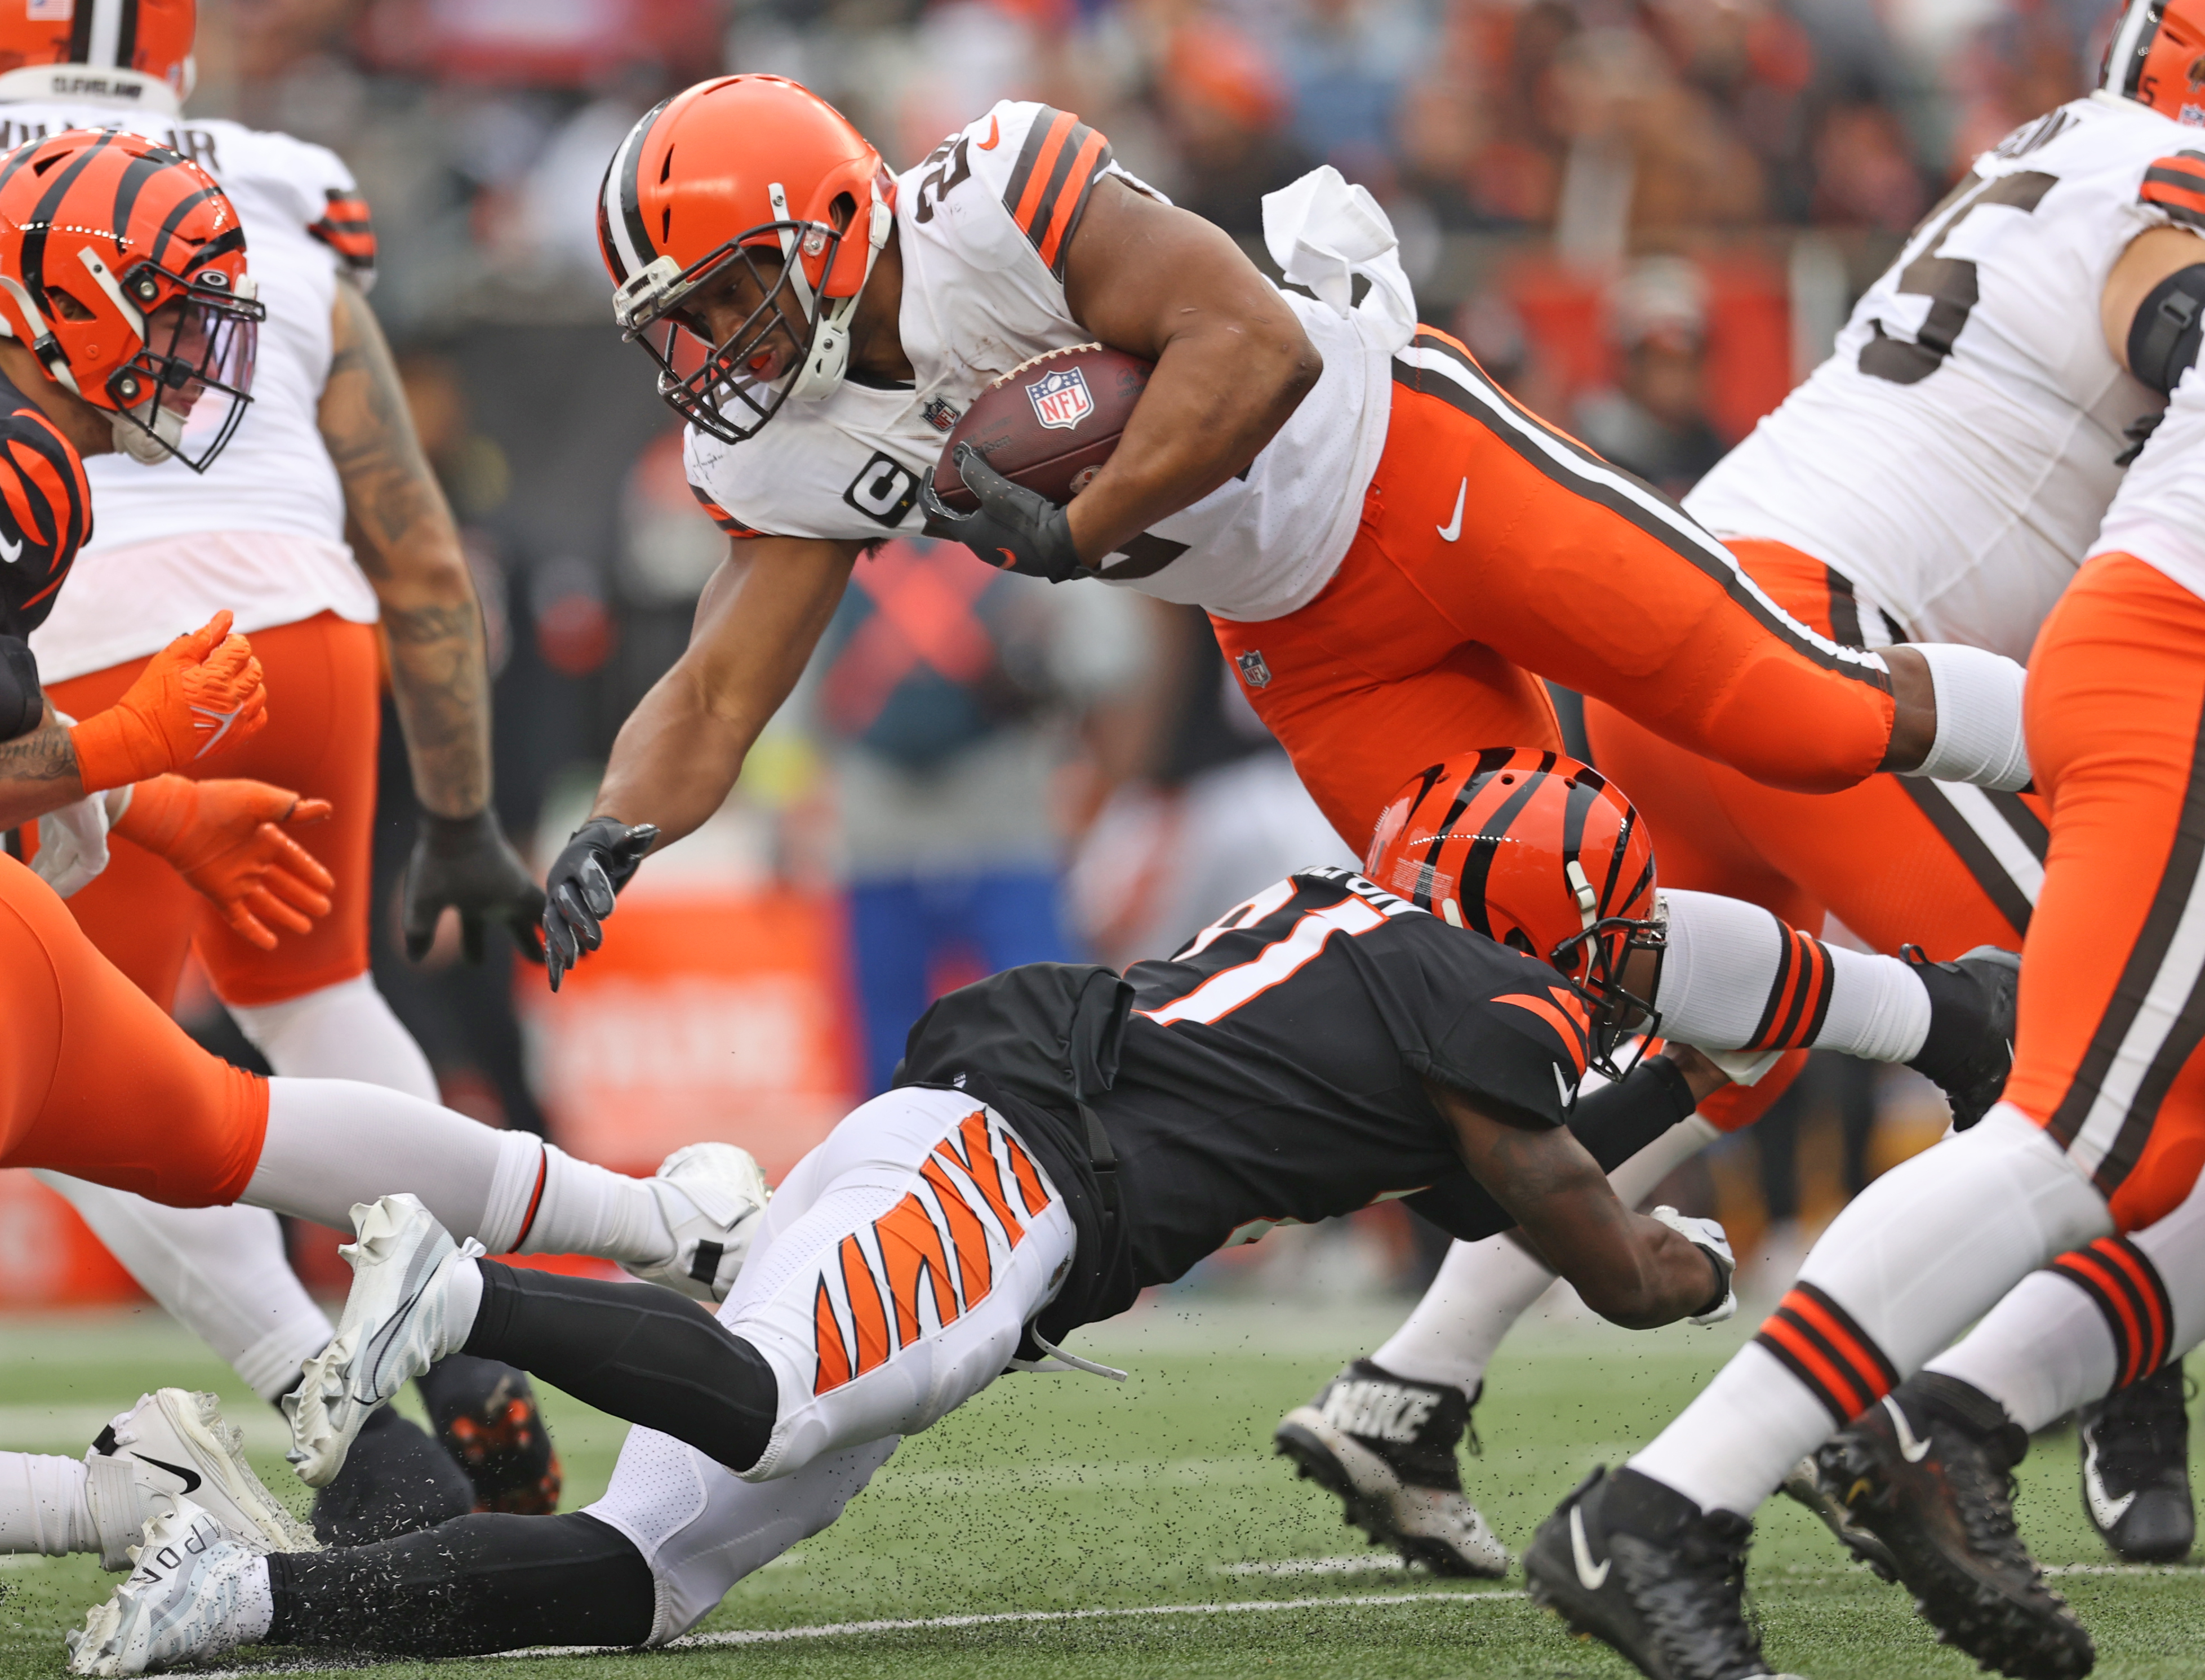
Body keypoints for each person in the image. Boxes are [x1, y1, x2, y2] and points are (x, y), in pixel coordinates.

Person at [65, 758, 2024, 1674]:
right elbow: (1592, 1239)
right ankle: (460, 1284)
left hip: (974, 1149)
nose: (1593, 986)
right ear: (1534, 926)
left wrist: (1689, 1092)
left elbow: (1509, 1150)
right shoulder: (1466, 990)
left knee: (640, 1578)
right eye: (1587, 953)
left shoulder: (1368, 956)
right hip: (1011, 1183)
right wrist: (1696, 1264)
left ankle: (246, 1600)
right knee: (772, 1397)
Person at [1277, 6, 2205, 1578]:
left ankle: (1408, 1383)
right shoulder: (2156, 176)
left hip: (1708, 625)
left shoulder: (2048, 152)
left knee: (1734, 1054)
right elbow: (2166, 314)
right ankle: (2072, 1402)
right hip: (1827, 668)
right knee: (2128, 1039)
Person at [537, 75, 2036, 996]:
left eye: (725, 295)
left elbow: (1256, 348)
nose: (711, 349)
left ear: (827, 220)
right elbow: (719, 687)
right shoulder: (787, 443)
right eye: (681, 324)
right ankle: (1937, 1023)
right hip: (1301, 640)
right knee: (1543, 913)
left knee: (1797, 710)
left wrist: (1079, 526)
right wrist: (622, 829)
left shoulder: (988, 201)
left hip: (1412, 473)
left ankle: (2081, 736)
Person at [1514, 119, 2205, 1680]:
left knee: (2093, 1117)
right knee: (2070, 1114)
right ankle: (1673, 1500)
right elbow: (2163, 307)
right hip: (2105, 649)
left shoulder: (2087, 154)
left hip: (1829, 615)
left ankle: (1951, 1410)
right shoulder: (2153, 165)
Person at [0, 0, 555, 1536]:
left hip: (76, 632)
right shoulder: (279, 176)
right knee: (318, 999)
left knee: (63, 1066)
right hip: (307, 627)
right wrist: (461, 813)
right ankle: (459, 1340)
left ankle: (342, 1414)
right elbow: (422, 552)